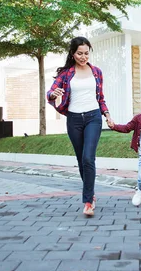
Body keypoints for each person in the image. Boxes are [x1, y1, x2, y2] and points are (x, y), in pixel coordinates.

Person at [47, 36, 114, 216]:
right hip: (74, 119)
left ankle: (87, 201)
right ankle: (90, 194)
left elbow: (101, 98)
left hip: (93, 117)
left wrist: (106, 114)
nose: (83, 57)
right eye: (79, 53)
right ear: (72, 53)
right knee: (80, 160)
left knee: (88, 158)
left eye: (86, 53)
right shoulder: (66, 73)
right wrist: (54, 94)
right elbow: (50, 93)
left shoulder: (97, 72)